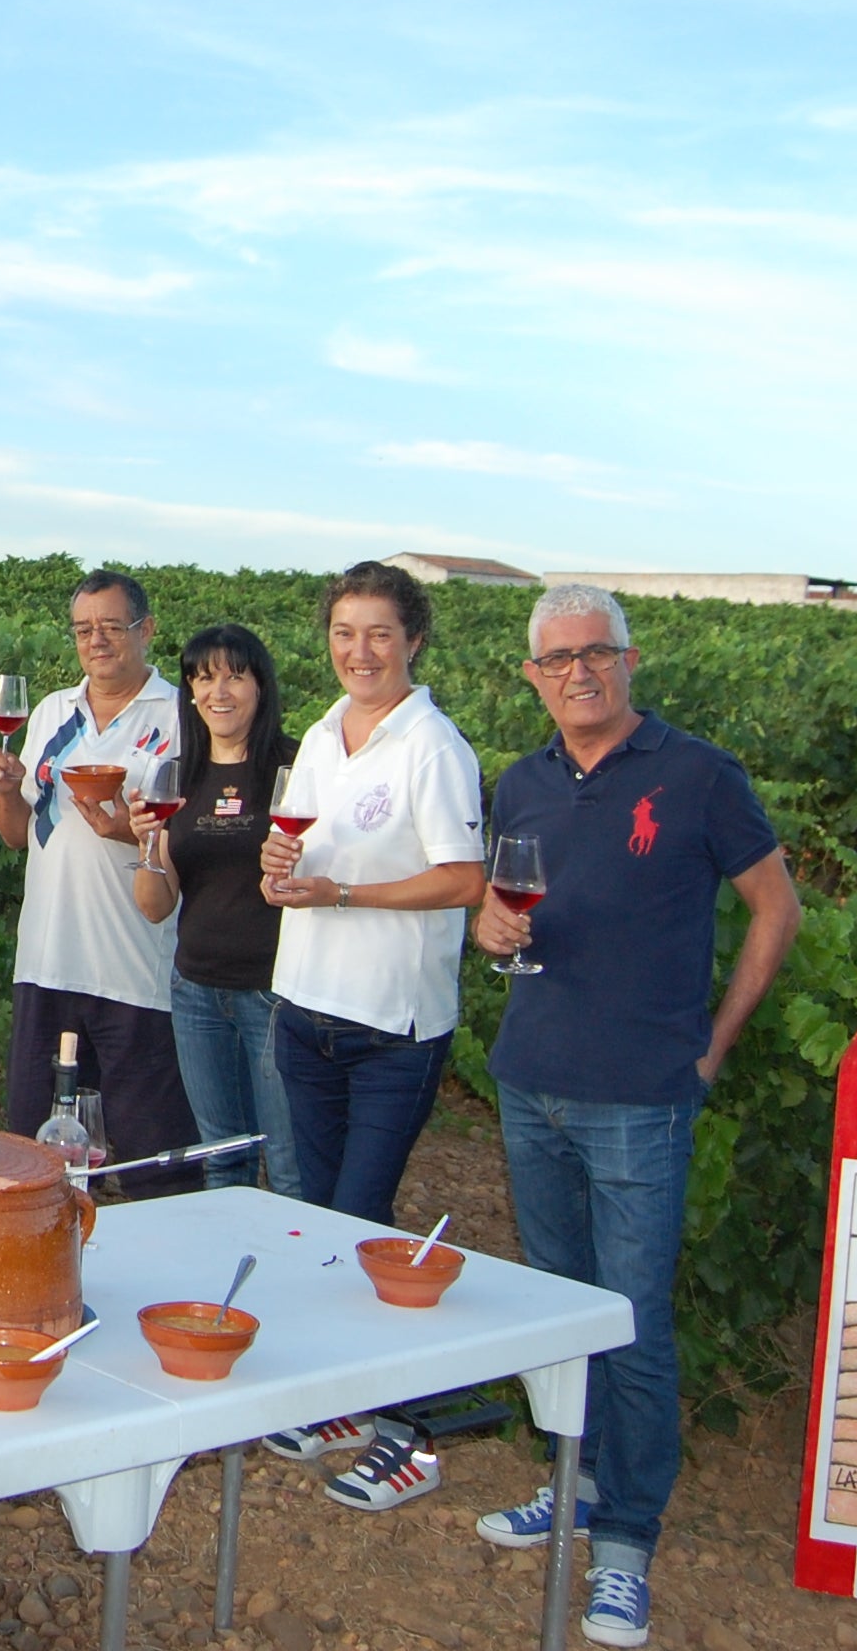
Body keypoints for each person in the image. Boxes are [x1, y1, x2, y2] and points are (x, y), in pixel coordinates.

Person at [463, 585, 801, 1650]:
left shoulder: (698, 773)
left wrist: (713, 1044)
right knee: (565, 1310)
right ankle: (574, 1482)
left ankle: (623, 1542)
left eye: (596, 652)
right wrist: (485, 925)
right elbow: (496, 909)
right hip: (530, 1080)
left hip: (642, 1096)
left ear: (629, 660)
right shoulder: (521, 781)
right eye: (557, 658)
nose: (578, 672)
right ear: (532, 676)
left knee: (634, 1323)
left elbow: (776, 906)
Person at [255, 559, 485, 1509]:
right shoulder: (320, 735)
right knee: (319, 1213)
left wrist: (343, 893)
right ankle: (340, 1402)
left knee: (363, 1221)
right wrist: (279, 866)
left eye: (379, 633)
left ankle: (401, 1424)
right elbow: (300, 856)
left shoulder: (433, 746)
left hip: (393, 1023)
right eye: (345, 633)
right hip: (305, 1004)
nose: (360, 651)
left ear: (413, 641)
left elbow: (464, 878)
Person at [0, 569, 199, 1193]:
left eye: (111, 627)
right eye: (82, 629)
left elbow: (194, 839)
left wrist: (129, 831)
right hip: (48, 962)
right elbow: (18, 834)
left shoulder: (182, 716)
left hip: (136, 972)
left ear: (146, 630)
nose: (96, 640)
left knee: (154, 1166)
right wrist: (5, 791)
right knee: (38, 1164)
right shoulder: (53, 711)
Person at [129, 623, 300, 1199]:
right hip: (197, 992)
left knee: (289, 1160)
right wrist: (148, 845)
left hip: (274, 993)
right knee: (221, 1157)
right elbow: (155, 906)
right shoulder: (178, 775)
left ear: (260, 686)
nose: (218, 693)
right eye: (203, 679)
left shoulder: (293, 768)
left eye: (234, 677)